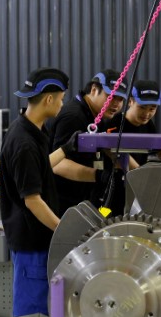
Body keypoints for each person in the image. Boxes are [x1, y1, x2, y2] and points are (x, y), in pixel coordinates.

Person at [0, 67, 80, 317]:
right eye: (60, 99)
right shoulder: (22, 142)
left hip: (38, 240)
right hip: (31, 240)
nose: (62, 105)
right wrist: (65, 230)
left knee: (44, 310)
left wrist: (68, 148)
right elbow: (32, 200)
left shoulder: (32, 131)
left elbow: (43, 166)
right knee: (30, 313)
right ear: (48, 98)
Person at [47, 69, 128, 216]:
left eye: (120, 99)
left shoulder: (97, 116)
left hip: (82, 199)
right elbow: (57, 164)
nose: (116, 104)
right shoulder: (74, 117)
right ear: (94, 89)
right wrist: (98, 176)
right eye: (111, 96)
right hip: (61, 202)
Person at [105, 79, 161, 168]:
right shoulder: (114, 124)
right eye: (142, 107)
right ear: (130, 102)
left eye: (152, 109)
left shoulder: (148, 124)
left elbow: (160, 149)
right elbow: (119, 156)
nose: (146, 114)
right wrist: (142, 176)